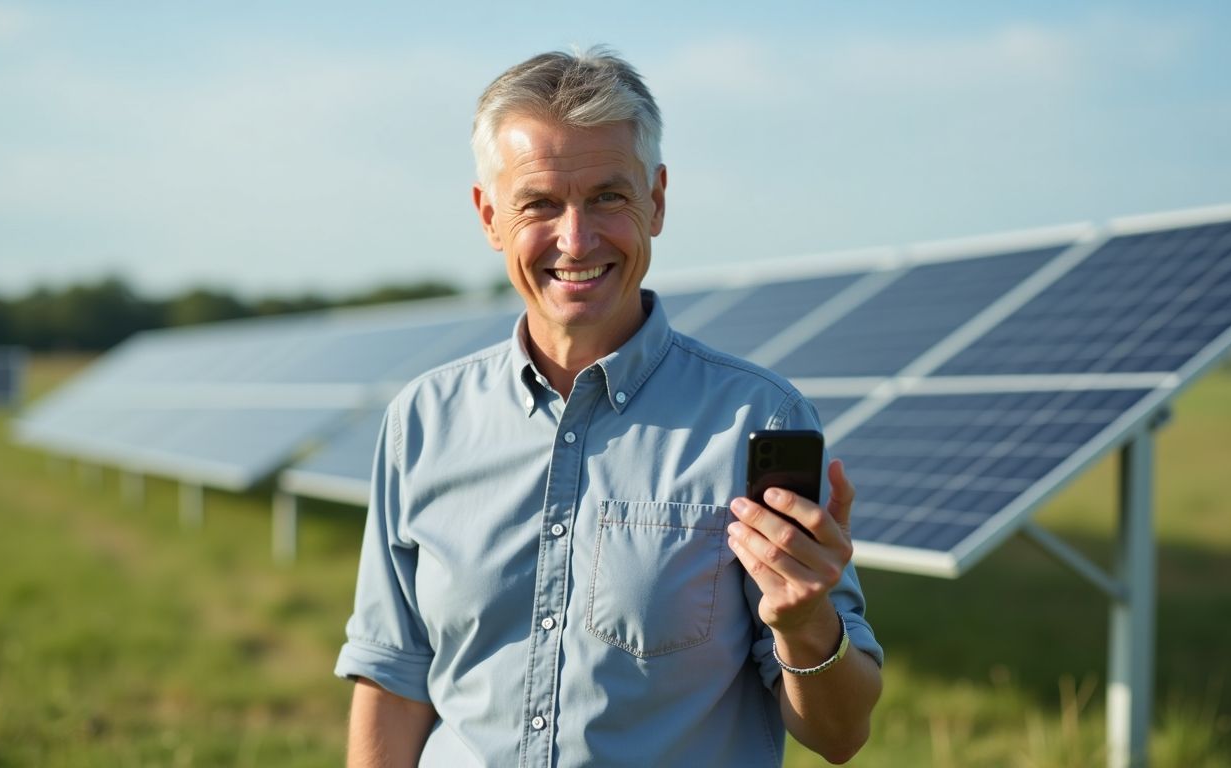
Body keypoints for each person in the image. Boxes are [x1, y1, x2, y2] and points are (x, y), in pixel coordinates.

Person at [335, 47, 883, 767]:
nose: (576, 239)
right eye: (539, 204)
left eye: (607, 197)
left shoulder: (760, 423)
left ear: (656, 201)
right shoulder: (422, 421)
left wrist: (807, 626)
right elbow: (394, 675)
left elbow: (840, 737)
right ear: (488, 215)